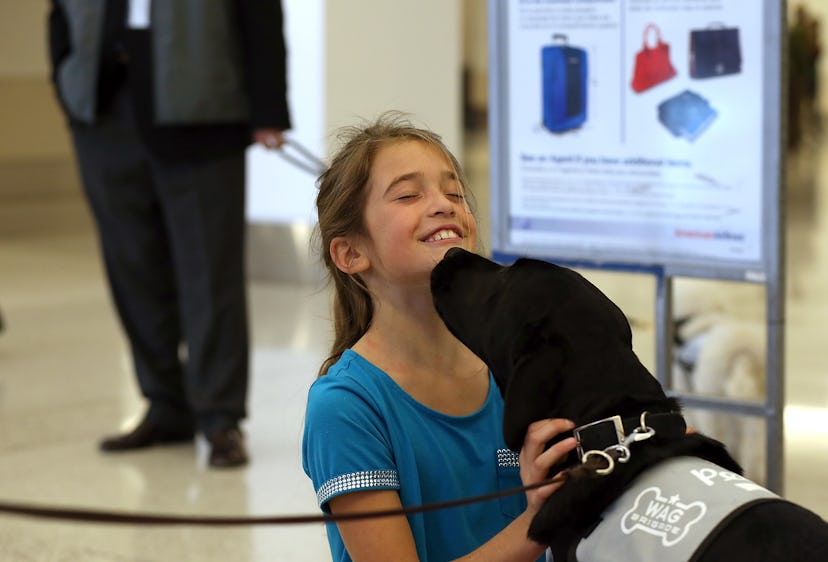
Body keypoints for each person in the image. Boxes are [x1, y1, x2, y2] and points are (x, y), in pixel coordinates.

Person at [302, 112, 577, 561]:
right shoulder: (345, 407)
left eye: (454, 192)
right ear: (350, 253)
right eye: (409, 194)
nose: (444, 204)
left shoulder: (521, 362)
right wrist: (539, 520)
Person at [47, 0, 291, 468]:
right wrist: (66, 82)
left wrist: (268, 107)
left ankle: (219, 416)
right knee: (131, 266)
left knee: (210, 273)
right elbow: (59, 14)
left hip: (202, 108)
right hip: (102, 110)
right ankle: (165, 405)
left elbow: (258, 11)